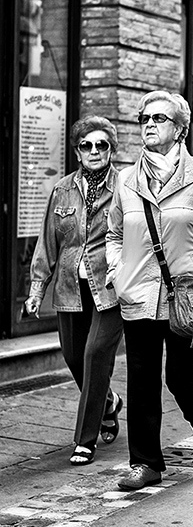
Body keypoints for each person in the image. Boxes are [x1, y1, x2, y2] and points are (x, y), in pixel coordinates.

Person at [106, 91, 193, 491]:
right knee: (141, 379)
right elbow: (114, 233)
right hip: (139, 294)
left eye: (159, 118)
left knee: (185, 378)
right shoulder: (127, 181)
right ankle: (145, 462)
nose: (149, 124)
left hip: (185, 295)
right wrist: (118, 271)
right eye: (144, 118)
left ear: (180, 129)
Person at [25, 116, 124, 466]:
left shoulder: (124, 186)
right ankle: (109, 402)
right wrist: (37, 288)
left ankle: (85, 439)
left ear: (111, 149)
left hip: (109, 287)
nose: (94, 151)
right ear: (77, 150)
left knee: (95, 355)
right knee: (73, 357)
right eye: (87, 145)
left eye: (102, 145)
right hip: (70, 286)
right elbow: (48, 242)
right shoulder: (62, 190)